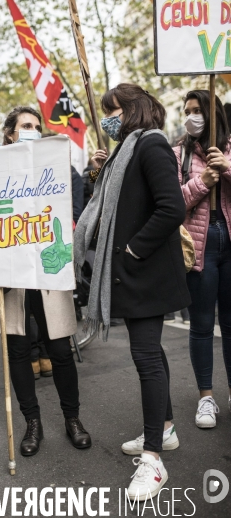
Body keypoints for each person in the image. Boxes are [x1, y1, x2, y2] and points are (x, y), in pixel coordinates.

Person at [74, 84, 190, 500]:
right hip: (134, 273)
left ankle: (154, 459)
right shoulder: (125, 152)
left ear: (133, 109)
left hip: (146, 272)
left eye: (114, 110)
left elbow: (171, 207)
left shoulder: (152, 144)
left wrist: (132, 250)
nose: (108, 118)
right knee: (151, 353)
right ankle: (166, 429)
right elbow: (111, 208)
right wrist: (99, 173)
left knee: (145, 357)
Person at [0, 106, 91, 457]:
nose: (32, 130)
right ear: (11, 133)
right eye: (25, 125)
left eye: (36, 126)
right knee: (17, 350)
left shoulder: (56, 166)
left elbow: (77, 206)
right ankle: (32, 423)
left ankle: (72, 419)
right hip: (12, 270)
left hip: (49, 267)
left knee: (59, 347)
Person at [174, 90, 231, 428]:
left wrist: (225, 169)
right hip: (198, 248)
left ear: (214, 116)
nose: (191, 116)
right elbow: (172, 203)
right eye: (187, 111)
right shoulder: (177, 153)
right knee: (202, 326)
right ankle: (206, 398)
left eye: (198, 110)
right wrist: (201, 182)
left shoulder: (227, 148)